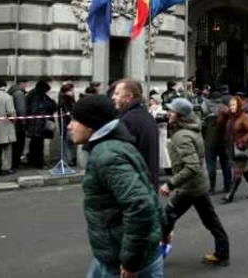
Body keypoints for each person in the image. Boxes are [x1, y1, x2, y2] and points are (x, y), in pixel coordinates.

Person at [68, 95, 165, 278]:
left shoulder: (107, 155)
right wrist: (165, 227)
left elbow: (140, 204)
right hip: (114, 256)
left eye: (74, 120)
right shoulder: (116, 145)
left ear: (90, 124)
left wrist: (130, 263)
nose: (69, 126)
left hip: (121, 263)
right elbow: (147, 188)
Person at [160, 97, 230, 267]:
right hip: (198, 184)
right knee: (210, 220)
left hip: (189, 188)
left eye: (171, 111)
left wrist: (170, 184)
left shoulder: (182, 136)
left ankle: (155, 254)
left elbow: (191, 166)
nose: (168, 113)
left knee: (165, 217)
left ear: (180, 115)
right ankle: (222, 255)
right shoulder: (190, 127)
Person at [112, 78, 160, 188]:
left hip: (136, 187)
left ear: (129, 97)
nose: (113, 97)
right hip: (147, 184)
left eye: (117, 94)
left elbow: (124, 159)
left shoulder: (129, 120)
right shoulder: (145, 116)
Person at [219, 96, 248, 203]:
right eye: (230, 104)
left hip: (243, 147)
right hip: (233, 148)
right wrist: (222, 114)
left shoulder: (245, 117)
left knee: (237, 171)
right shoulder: (231, 117)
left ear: (239, 105)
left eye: (234, 104)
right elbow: (221, 125)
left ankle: (230, 195)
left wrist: (242, 141)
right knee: (244, 170)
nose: (231, 107)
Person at [203, 91, 231, 195]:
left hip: (210, 141)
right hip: (224, 140)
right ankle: (228, 185)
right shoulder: (226, 108)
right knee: (226, 163)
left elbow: (202, 125)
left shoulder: (206, 109)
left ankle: (211, 188)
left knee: (211, 164)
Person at [26, 80, 57, 169]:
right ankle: (39, 163)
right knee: (38, 145)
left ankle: (33, 161)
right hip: (38, 124)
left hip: (35, 124)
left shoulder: (34, 94)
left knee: (35, 144)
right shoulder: (38, 96)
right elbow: (48, 107)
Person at [148, 94, 171, 176]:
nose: (150, 101)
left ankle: (168, 167)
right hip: (155, 131)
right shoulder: (151, 109)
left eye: (152, 99)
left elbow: (163, 120)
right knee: (158, 149)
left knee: (162, 149)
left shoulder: (162, 109)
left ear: (155, 101)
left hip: (161, 131)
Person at [8, 81, 28, 168]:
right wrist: (23, 123)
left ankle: (13, 162)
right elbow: (21, 110)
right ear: (21, 84)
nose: (26, 86)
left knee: (14, 145)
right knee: (19, 144)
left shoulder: (12, 92)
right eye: (26, 84)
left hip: (12, 124)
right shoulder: (19, 93)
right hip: (18, 125)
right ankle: (16, 163)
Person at [59, 83, 77, 167]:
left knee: (69, 142)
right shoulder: (66, 99)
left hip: (67, 123)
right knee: (67, 142)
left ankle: (71, 159)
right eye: (71, 90)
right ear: (67, 91)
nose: (73, 92)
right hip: (67, 123)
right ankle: (69, 160)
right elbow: (69, 112)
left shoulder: (68, 99)